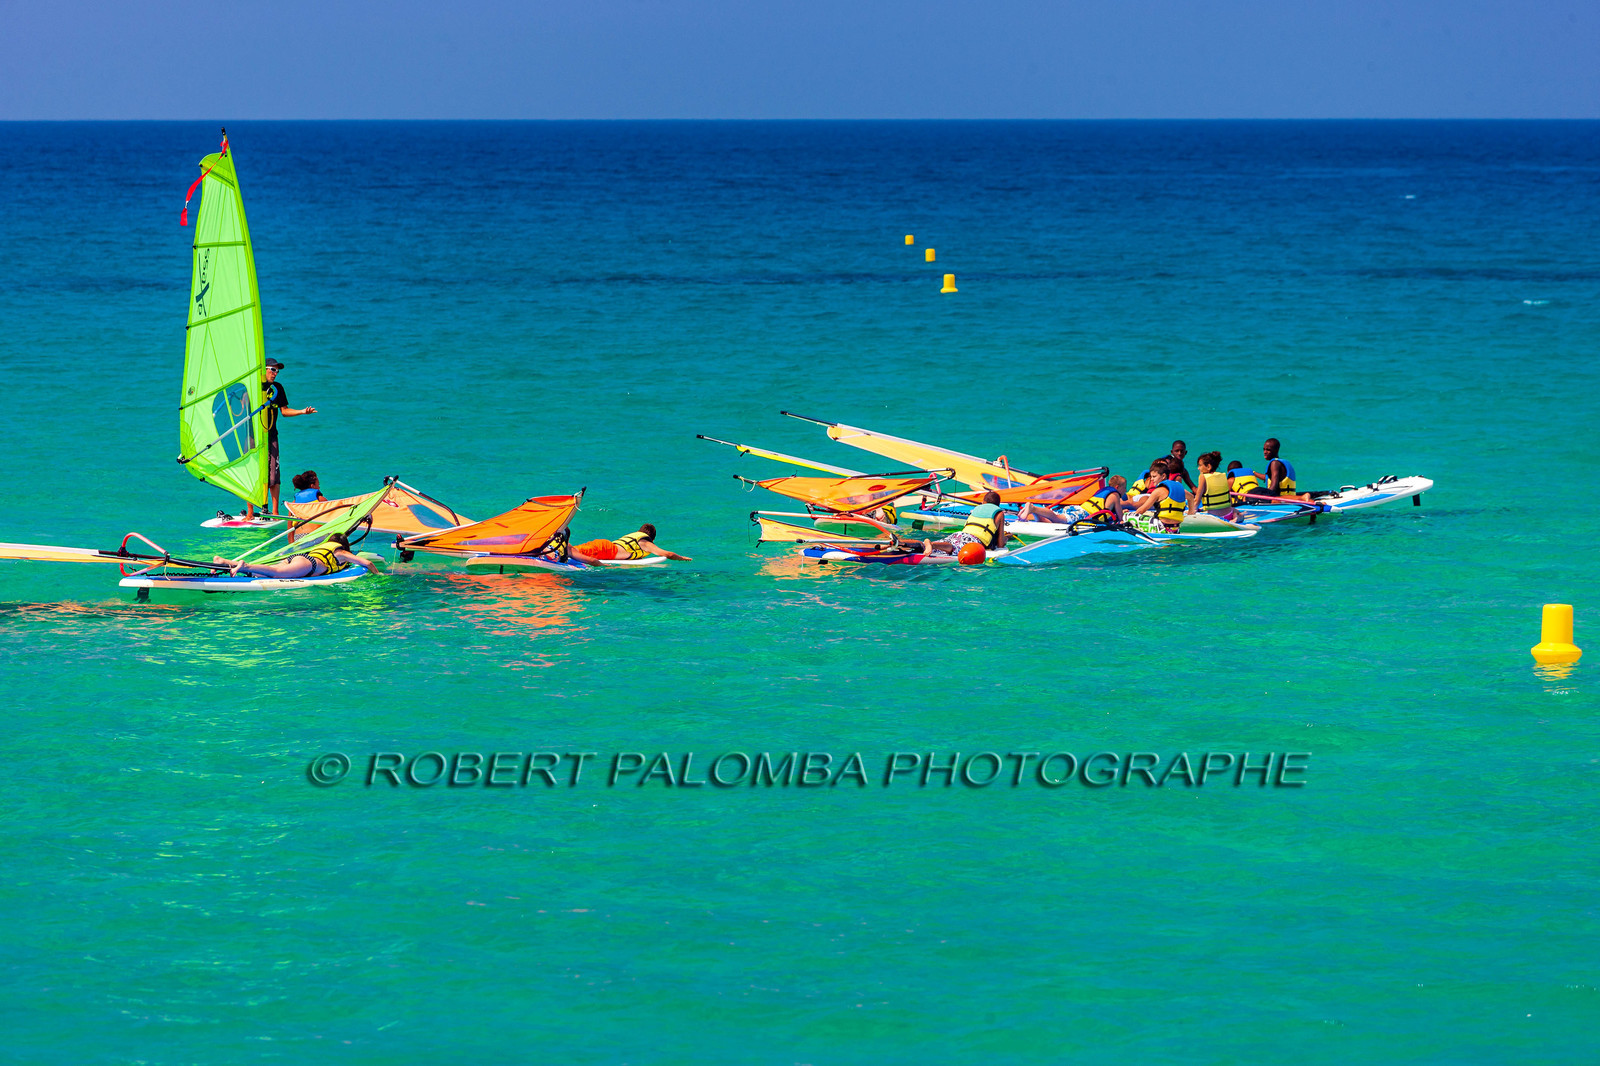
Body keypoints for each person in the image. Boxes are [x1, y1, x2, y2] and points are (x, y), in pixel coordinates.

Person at [252, 359, 317, 519]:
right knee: (253, 472)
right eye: (272, 370)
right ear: (264, 370)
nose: (275, 373)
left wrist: (302, 412)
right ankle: (249, 513)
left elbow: (285, 411)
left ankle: (274, 512)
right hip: (253, 436)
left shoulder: (277, 388)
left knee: (274, 474)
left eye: (277, 371)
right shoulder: (253, 387)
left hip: (271, 435)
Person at [214, 531, 368, 579]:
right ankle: (244, 565)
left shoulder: (325, 546)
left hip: (299, 558)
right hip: (309, 565)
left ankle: (224, 561)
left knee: (266, 572)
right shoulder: (341, 552)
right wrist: (378, 573)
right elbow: (366, 563)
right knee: (276, 573)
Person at [570, 523, 692, 564]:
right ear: (652, 538)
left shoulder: (634, 536)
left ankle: (553, 549)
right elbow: (667, 554)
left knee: (573, 550)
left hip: (604, 546)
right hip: (605, 550)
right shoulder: (645, 542)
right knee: (570, 551)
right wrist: (682, 558)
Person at [929, 491, 1007, 554]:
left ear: (983, 502)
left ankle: (922, 544)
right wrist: (1006, 538)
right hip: (973, 540)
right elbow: (1000, 545)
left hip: (959, 534)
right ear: (998, 505)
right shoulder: (999, 513)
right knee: (954, 548)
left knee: (943, 544)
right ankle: (932, 545)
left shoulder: (977, 509)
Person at [1129, 459, 1188, 530]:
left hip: (1161, 527)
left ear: (1163, 476)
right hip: (1175, 528)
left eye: (1154, 476)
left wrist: (1129, 516)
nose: (1151, 479)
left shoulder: (1158, 491)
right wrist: (1190, 513)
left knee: (1127, 516)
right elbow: (1190, 497)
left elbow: (1141, 510)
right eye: (1151, 477)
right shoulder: (1179, 488)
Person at [1187, 451, 1237, 520]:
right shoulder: (1223, 476)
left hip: (1214, 517)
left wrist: (1190, 514)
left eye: (1200, 465)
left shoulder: (1203, 477)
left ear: (1208, 466)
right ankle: (1236, 518)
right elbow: (1229, 500)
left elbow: (1197, 501)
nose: (1198, 468)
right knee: (1236, 512)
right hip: (1228, 515)